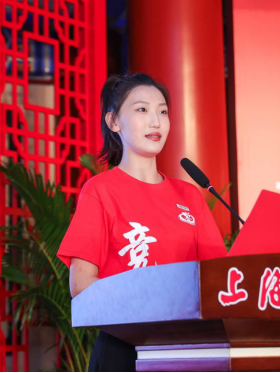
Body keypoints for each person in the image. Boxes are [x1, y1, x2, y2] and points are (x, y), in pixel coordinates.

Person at [56, 73, 228, 372]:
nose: (155, 121)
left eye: (163, 111)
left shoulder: (189, 195)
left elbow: (219, 279)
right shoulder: (100, 190)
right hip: (124, 346)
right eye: (142, 110)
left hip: (188, 346)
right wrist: (149, 301)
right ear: (113, 122)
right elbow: (81, 286)